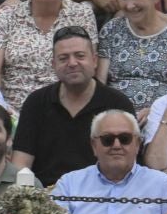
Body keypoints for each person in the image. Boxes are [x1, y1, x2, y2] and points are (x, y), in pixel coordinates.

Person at [10, 27, 135, 185]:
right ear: (53, 64)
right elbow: (21, 164)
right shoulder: (36, 103)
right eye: (63, 58)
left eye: (80, 56)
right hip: (45, 196)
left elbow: (127, 165)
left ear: (95, 60)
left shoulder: (117, 104)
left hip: (100, 196)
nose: (72, 63)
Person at [53, 107, 167, 214]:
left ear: (137, 144)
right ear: (94, 146)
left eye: (124, 139)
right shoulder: (69, 184)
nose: (116, 145)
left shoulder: (162, 184)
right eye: (107, 139)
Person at [0, 0, 96, 111]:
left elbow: (88, 68)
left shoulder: (82, 15)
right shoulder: (7, 16)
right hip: (13, 111)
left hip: (65, 107)